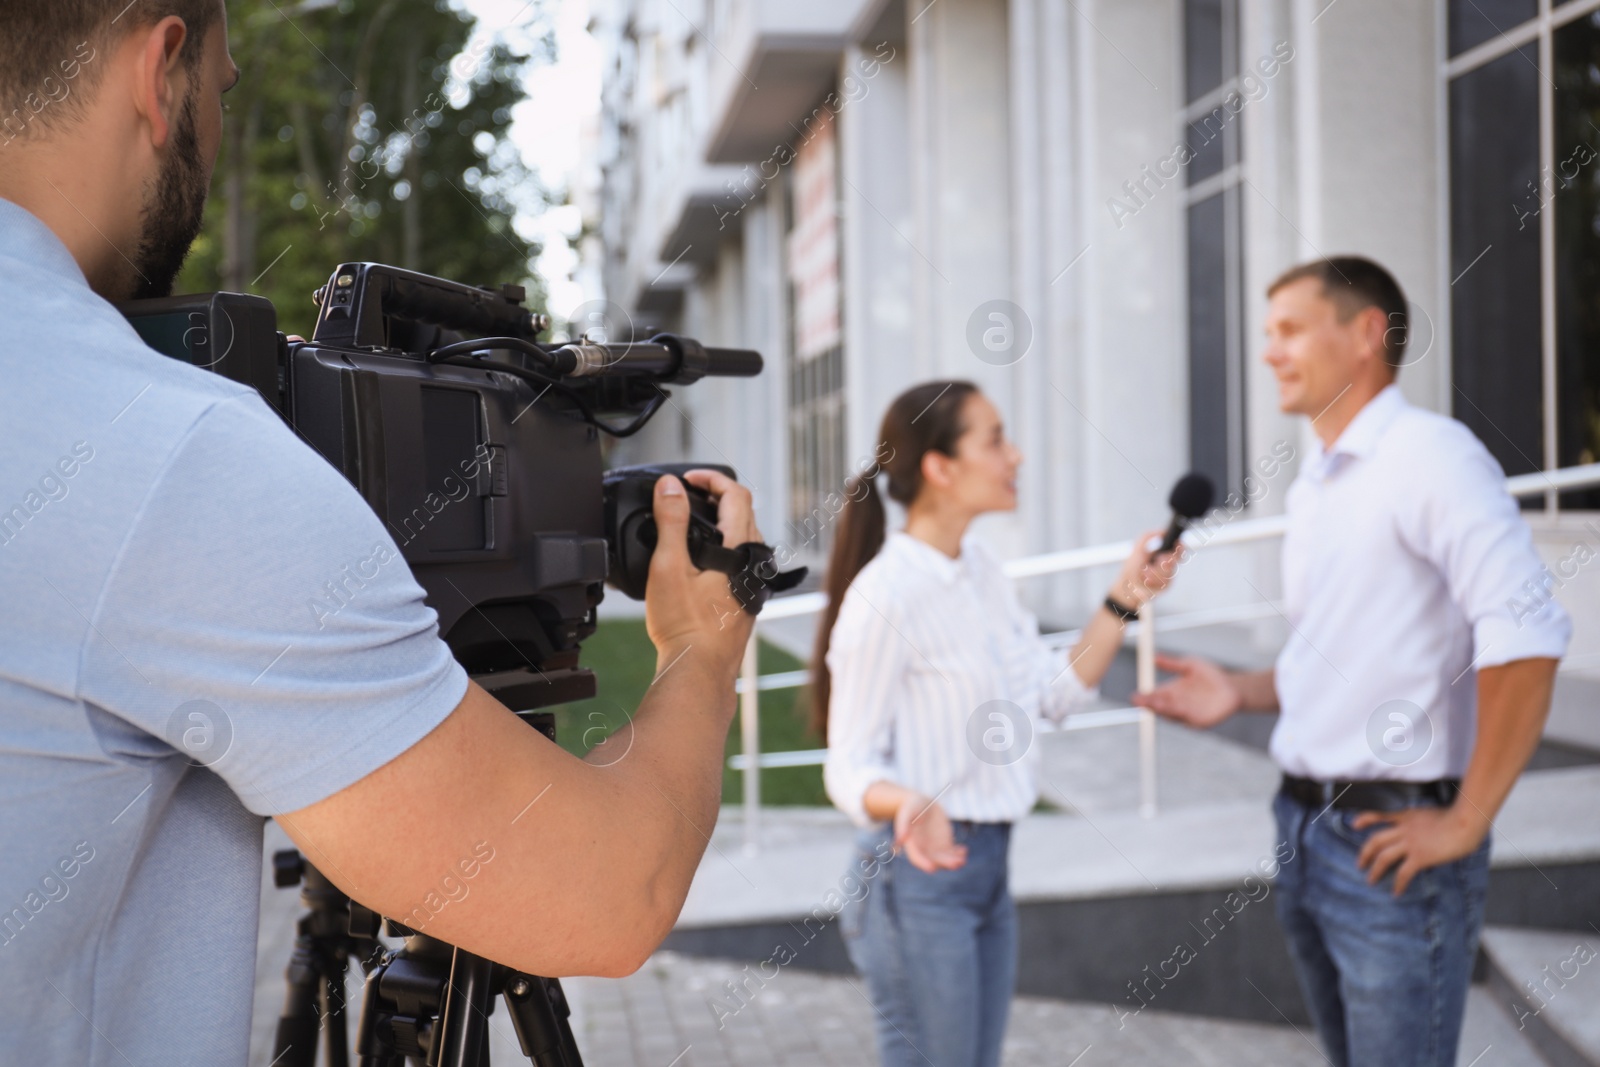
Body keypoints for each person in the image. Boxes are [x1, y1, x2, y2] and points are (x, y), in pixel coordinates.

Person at [0, 3, 758, 1062]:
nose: (216, 134)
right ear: (158, 65)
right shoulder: (164, 449)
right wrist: (702, 647)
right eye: (219, 91)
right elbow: (610, 893)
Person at [1135, 257, 1571, 1067]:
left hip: (1390, 837)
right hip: (1303, 826)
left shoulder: (1431, 456)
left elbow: (1528, 636)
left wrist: (1468, 819)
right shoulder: (1318, 483)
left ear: (1367, 333)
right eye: (1268, 334)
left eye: (1291, 329)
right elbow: (1335, 652)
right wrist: (1239, 688)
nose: (1269, 352)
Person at [814, 381, 1180, 1067]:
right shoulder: (884, 596)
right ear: (940, 467)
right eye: (994, 438)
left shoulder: (980, 569)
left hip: (986, 868)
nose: (1015, 454)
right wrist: (909, 799)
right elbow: (848, 766)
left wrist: (1129, 593)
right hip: (913, 880)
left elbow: (1055, 690)